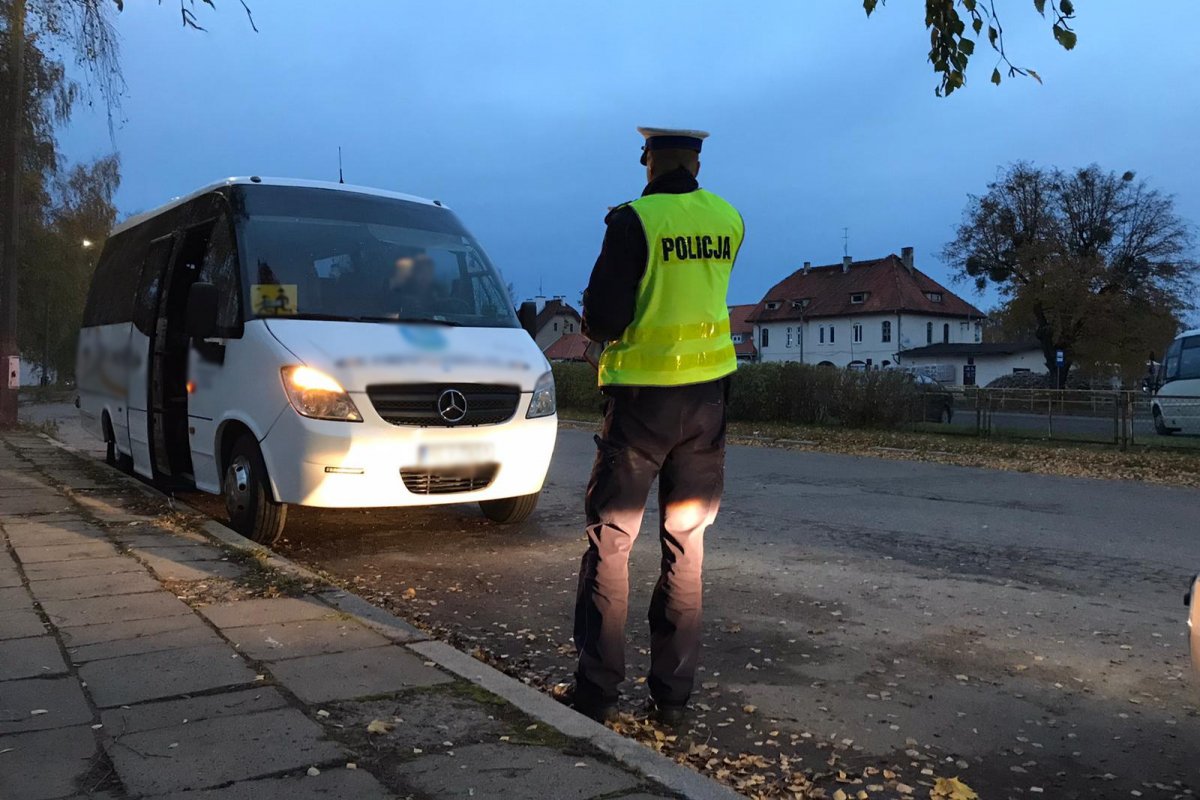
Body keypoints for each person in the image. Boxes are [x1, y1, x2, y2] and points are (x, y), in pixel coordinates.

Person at [570, 126, 744, 726]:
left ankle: (596, 692)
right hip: (707, 404)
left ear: (650, 162)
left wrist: (594, 328)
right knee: (686, 548)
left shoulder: (633, 221)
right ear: (695, 161)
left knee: (611, 543)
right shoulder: (728, 219)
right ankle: (672, 700)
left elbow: (603, 317)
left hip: (643, 406)